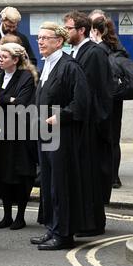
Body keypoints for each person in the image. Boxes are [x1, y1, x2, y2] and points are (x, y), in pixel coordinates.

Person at [31, 22, 98, 250]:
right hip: (45, 134)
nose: (40, 41)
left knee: (61, 184)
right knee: (49, 183)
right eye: (39, 38)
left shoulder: (70, 66)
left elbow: (81, 103)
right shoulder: (48, 65)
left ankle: (63, 233)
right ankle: (52, 227)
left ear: (58, 41)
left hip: (63, 135)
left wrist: (59, 116)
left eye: (45, 38)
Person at [63, 10, 113, 212]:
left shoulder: (94, 52)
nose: (64, 32)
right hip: (77, 123)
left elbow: (98, 91)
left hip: (90, 125)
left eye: (68, 28)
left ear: (81, 30)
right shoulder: (73, 51)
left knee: (90, 175)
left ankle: (91, 221)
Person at [0, 43, 37, 230]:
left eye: (4, 57)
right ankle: (6, 215)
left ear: (15, 59)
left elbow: (21, 103)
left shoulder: (26, 77)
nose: (0, 60)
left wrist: (4, 98)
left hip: (20, 133)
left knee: (21, 174)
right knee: (2, 174)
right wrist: (8, 98)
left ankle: (20, 216)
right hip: (0, 131)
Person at [90, 12, 129, 190]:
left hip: (111, 97)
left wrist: (100, 45)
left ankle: (113, 176)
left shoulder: (111, 45)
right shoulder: (100, 43)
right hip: (103, 96)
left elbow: (118, 61)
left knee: (112, 138)